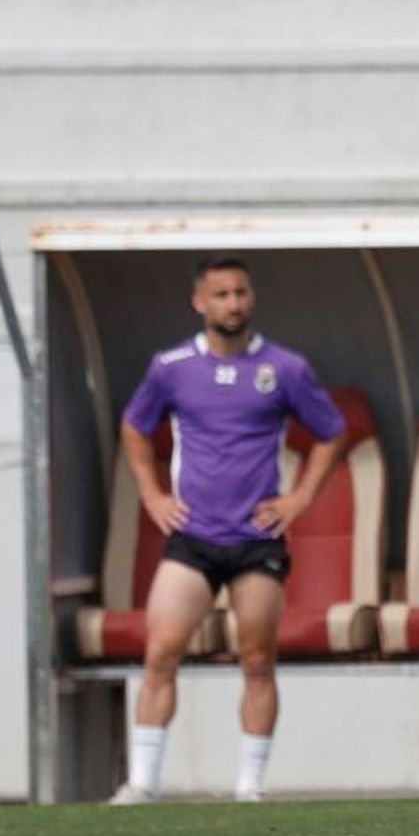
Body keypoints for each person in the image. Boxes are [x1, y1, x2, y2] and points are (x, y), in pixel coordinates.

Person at [109, 256, 346, 804]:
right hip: (192, 538)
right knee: (162, 651)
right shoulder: (171, 367)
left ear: (251, 298)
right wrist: (151, 495)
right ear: (200, 302)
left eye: (240, 292)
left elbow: (331, 432)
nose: (232, 303)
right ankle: (143, 783)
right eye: (221, 294)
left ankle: (249, 787)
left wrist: (300, 497)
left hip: (256, 540)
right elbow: (134, 426)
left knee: (258, 659)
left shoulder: (284, 368)